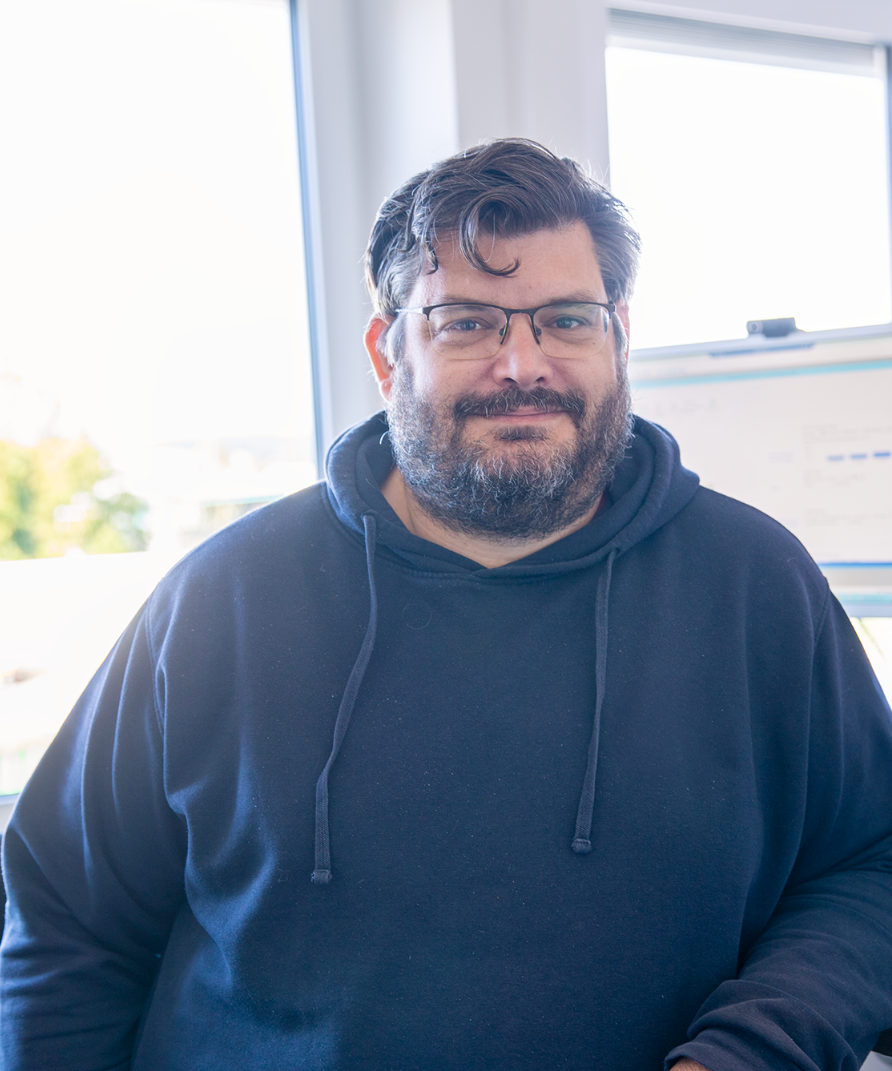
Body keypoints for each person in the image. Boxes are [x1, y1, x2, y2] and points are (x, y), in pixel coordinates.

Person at [2, 138, 892, 1071]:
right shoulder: (221, 601)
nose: (523, 363)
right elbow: (66, 923)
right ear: (387, 353)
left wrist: (748, 1052)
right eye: (467, 323)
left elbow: (869, 863)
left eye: (567, 320)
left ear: (620, 337)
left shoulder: (754, 585)